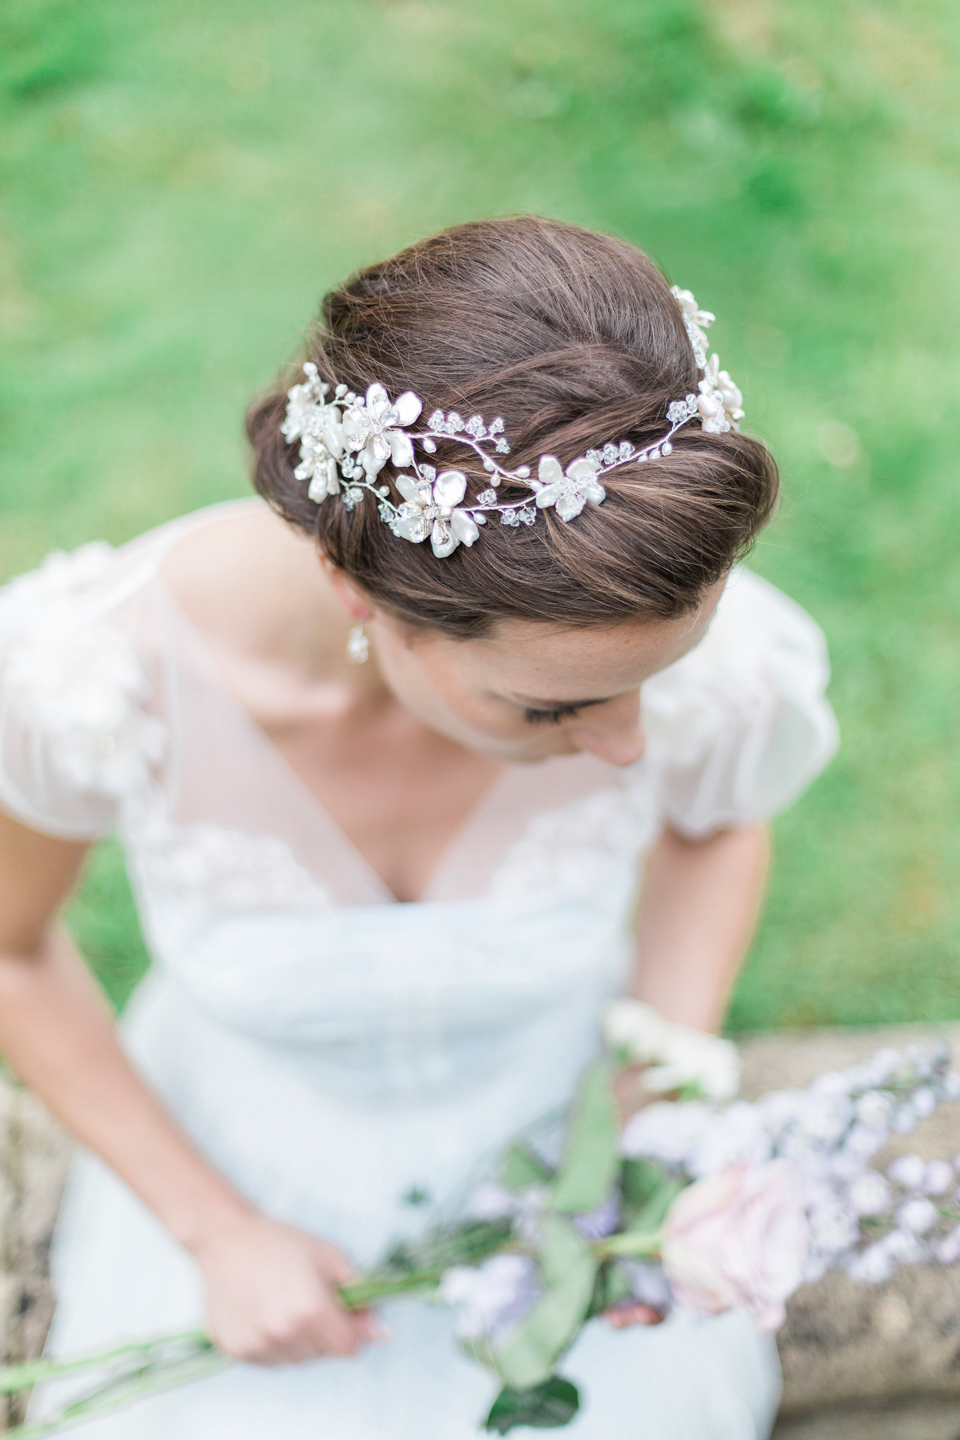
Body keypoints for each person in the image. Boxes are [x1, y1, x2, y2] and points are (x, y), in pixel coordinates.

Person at [0, 216, 837, 1438]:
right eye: (552, 706)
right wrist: (217, 1233)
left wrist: (648, 1112)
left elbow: (717, 828)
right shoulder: (85, 684)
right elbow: (11, 947)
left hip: (563, 1177)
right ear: (360, 593)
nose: (630, 744)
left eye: (658, 680)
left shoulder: (677, 650)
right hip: (241, 1189)